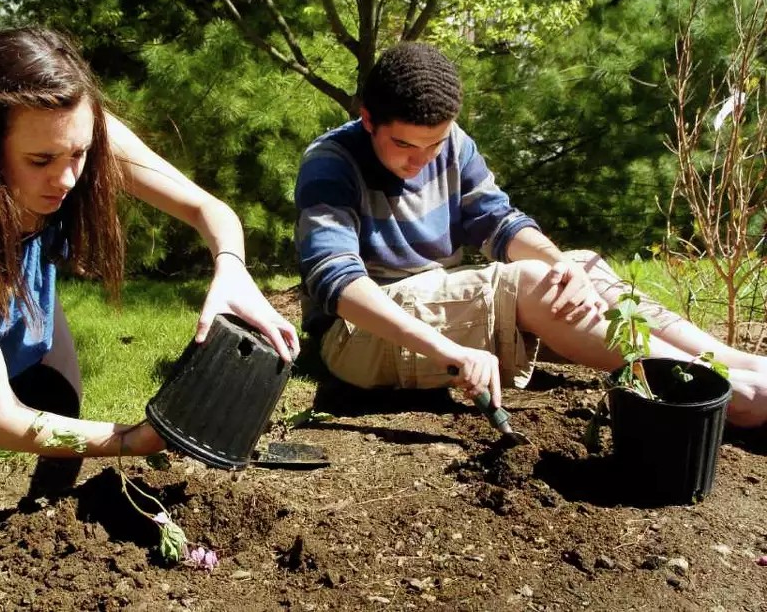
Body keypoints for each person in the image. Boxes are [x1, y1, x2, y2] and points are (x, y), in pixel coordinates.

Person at [0, 27, 300, 471]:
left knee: (56, 405)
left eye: (79, 154)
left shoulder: (68, 121)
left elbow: (207, 209)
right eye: (41, 160)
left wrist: (232, 269)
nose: (69, 179)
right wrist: (133, 440)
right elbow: (3, 421)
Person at [294, 41, 767, 428]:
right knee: (532, 281)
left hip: (438, 302)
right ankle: (724, 393)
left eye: (433, 144)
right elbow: (337, 283)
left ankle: (735, 364)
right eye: (403, 145)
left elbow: (498, 223)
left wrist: (560, 264)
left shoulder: (453, 143)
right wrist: (447, 352)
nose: (420, 160)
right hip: (357, 335)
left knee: (578, 267)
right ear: (368, 119)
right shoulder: (331, 163)